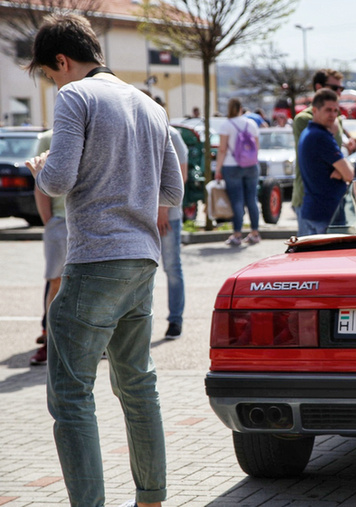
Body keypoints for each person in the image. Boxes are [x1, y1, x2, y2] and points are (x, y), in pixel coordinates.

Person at [25, 13, 183, 507]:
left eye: (51, 75)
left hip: (95, 259)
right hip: (142, 261)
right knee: (138, 385)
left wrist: (40, 168)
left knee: (71, 396)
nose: (55, 83)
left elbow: (58, 180)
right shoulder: (150, 105)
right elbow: (173, 191)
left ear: (62, 61)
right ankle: (151, 499)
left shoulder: (75, 96)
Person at [292, 68, 355, 236]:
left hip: (323, 204)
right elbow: (348, 173)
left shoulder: (330, 122)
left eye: (336, 110)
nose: (333, 114)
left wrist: (340, 166)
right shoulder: (307, 122)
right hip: (317, 202)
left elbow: (340, 156)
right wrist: (342, 167)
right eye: (334, 88)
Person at [29, 129, 64, 366]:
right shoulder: (49, 137)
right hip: (61, 221)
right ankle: (50, 341)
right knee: (55, 282)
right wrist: (50, 221)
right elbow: (39, 179)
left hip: (89, 219)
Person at [215, 98, 262, 247]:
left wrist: (218, 169)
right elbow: (257, 146)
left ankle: (237, 234)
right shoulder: (252, 123)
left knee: (237, 201)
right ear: (241, 108)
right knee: (252, 199)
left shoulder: (226, 125)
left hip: (231, 165)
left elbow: (222, 150)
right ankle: (255, 232)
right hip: (251, 165)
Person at [161, 125, 188, 339]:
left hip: (167, 215)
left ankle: (175, 320)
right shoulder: (135, 130)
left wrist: (162, 208)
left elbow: (181, 176)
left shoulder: (172, 135)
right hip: (140, 215)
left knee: (172, 267)